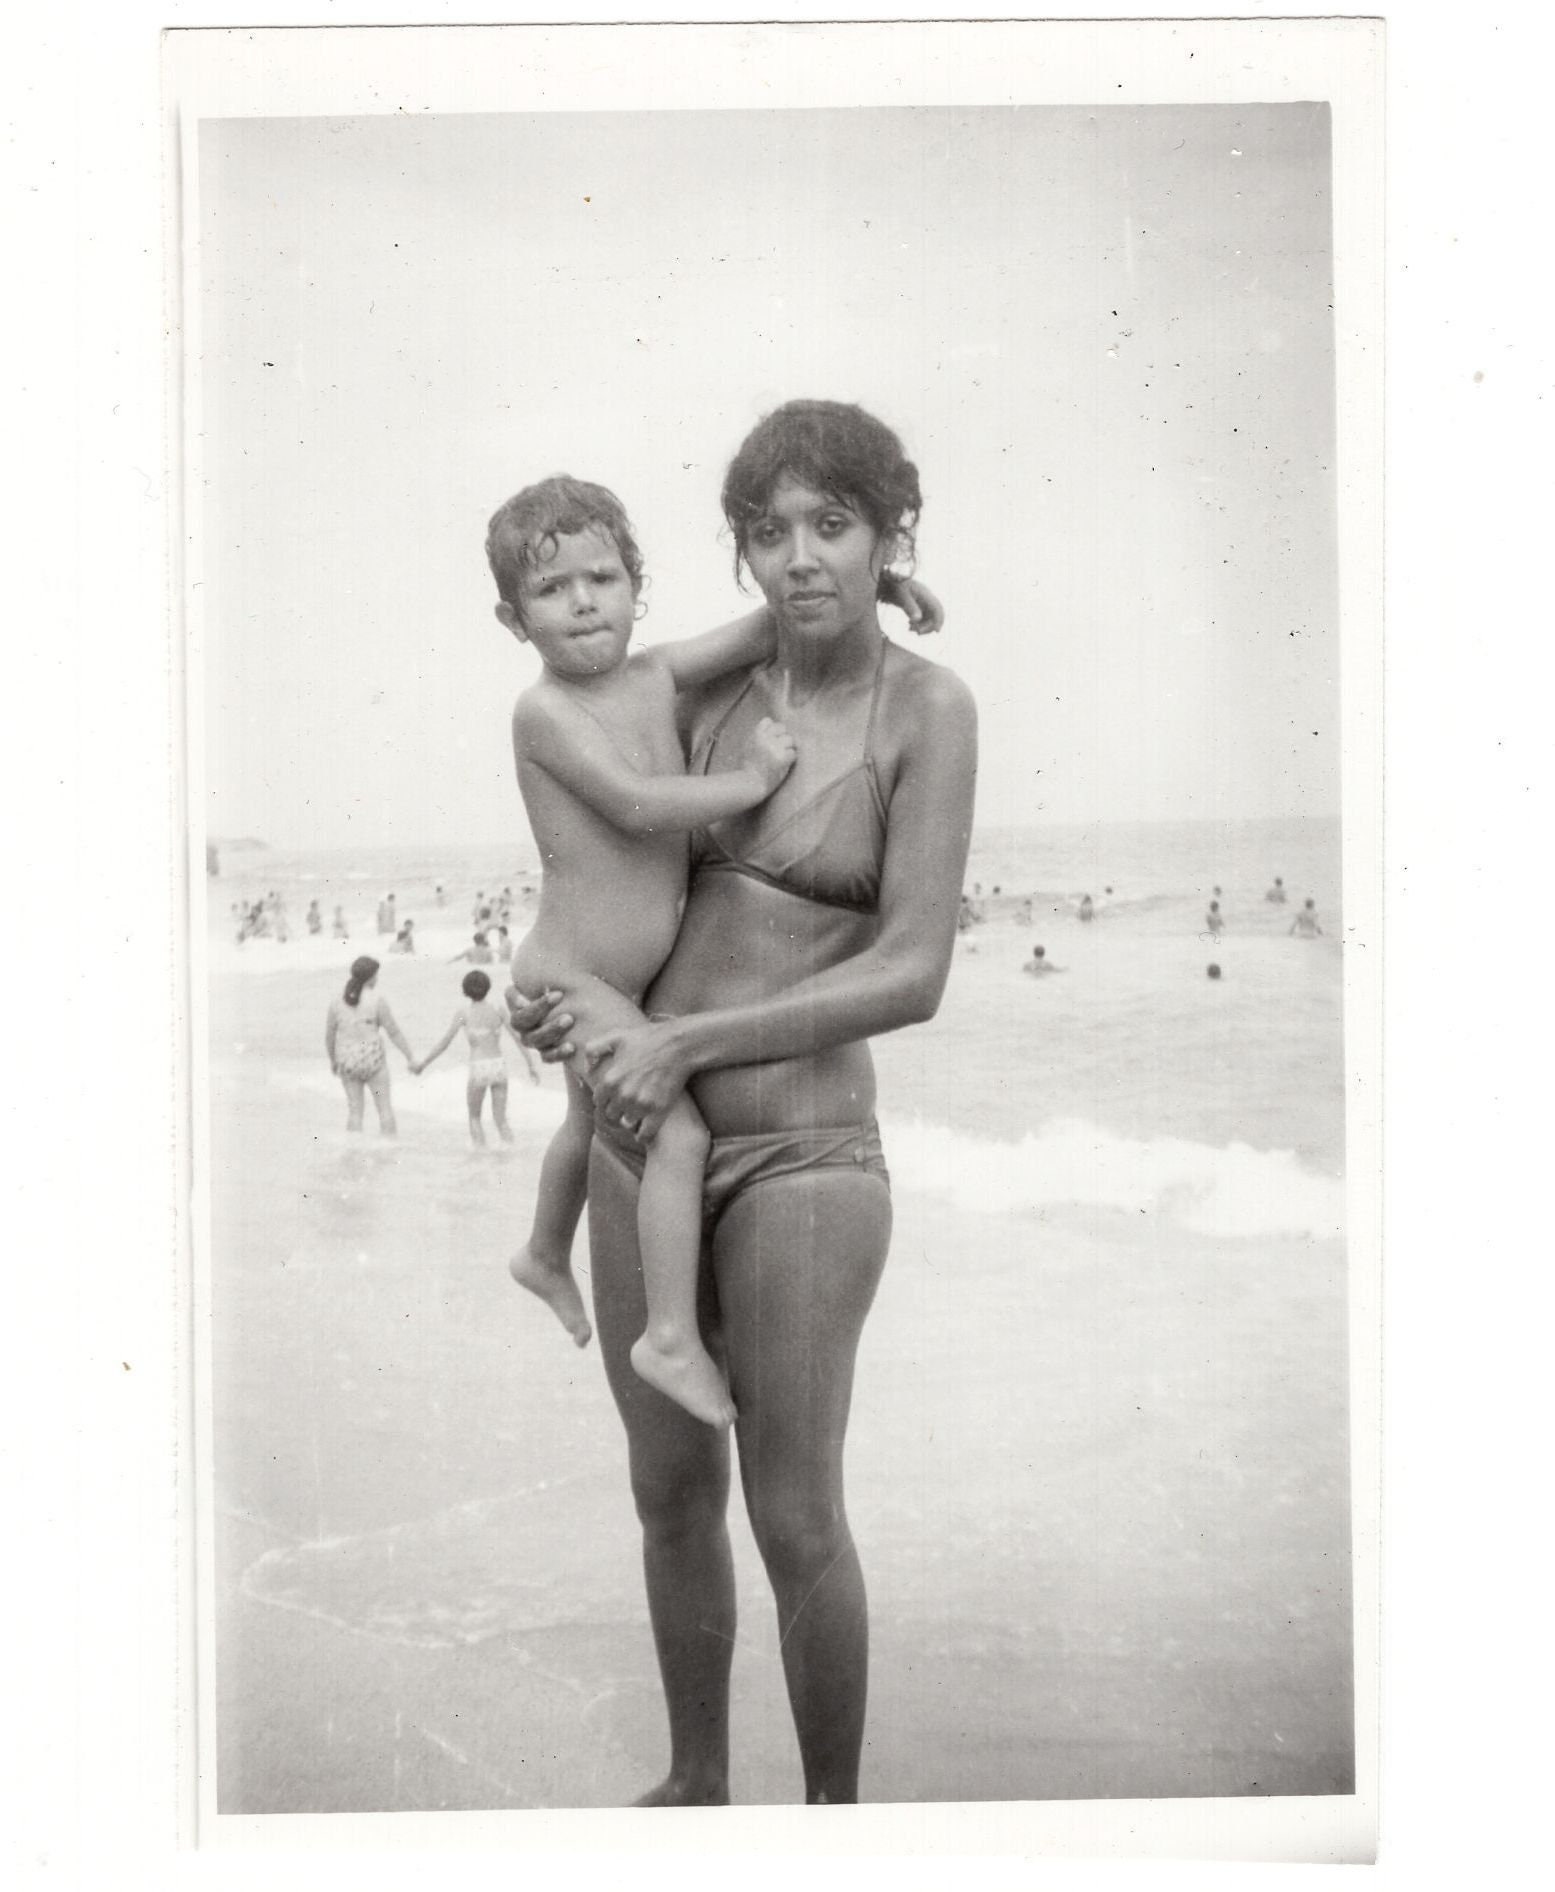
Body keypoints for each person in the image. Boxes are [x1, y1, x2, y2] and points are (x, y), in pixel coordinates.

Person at [509, 401, 975, 1805]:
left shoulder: (927, 711)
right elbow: (604, 870)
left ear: (889, 536)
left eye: (831, 526)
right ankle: (696, 1790)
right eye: (765, 532)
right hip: (643, 1124)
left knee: (790, 1513)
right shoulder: (700, 697)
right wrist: (571, 1007)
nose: (795, 558)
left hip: (806, 1153)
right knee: (665, 1497)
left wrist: (685, 1037)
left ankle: (831, 1824)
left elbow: (911, 971)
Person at [492, 472, 936, 1423]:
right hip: (577, 973)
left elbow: (776, 622)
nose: (582, 603)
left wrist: (884, 589)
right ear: (511, 617)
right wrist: (750, 779)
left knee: (583, 1123)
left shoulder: (654, 675)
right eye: (551, 590)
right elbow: (636, 804)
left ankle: (540, 1253)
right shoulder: (546, 713)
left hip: (616, 980)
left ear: (634, 586)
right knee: (678, 1134)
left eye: (602, 579)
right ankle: (666, 1336)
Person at [411, 968, 538, 1145]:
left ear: (465, 990)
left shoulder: (464, 1013)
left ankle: (480, 1157)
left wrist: (423, 1064)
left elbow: (444, 1043)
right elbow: (518, 1038)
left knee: (475, 1118)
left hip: (479, 1067)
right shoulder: (498, 1009)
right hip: (498, 1065)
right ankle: (511, 1154)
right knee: (501, 1120)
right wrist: (530, 1065)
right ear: (488, 987)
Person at [324, 955, 415, 1134]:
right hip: (373, 1059)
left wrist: (333, 1061)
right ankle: (389, 1150)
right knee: (384, 1109)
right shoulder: (377, 1000)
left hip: (347, 1058)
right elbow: (393, 1032)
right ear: (371, 977)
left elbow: (329, 1036)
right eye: (376, 975)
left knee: (355, 1112)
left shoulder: (336, 1001)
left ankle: (354, 1150)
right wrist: (409, 1056)